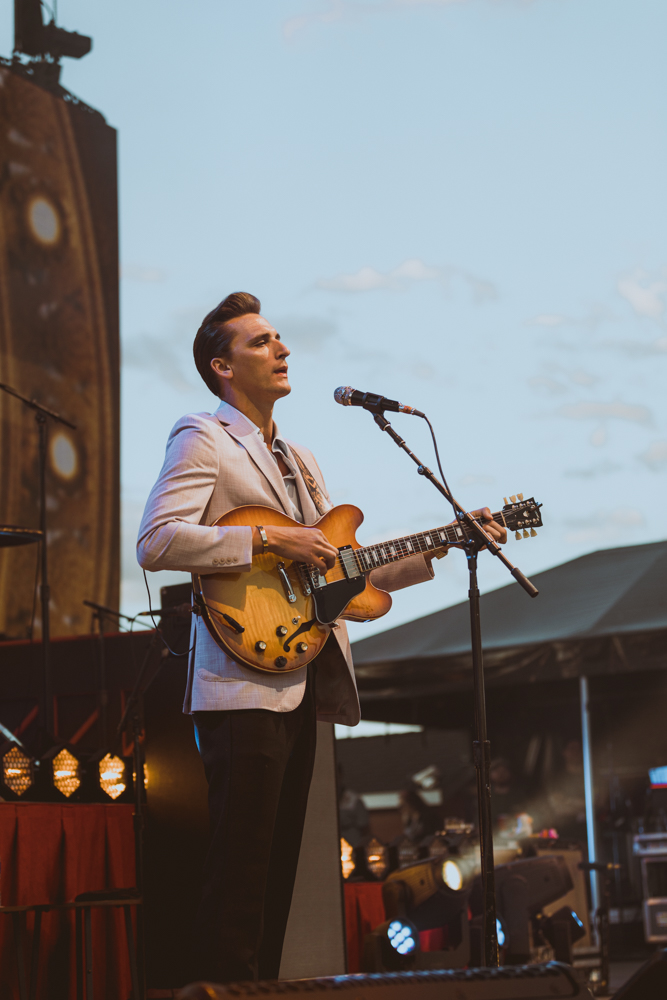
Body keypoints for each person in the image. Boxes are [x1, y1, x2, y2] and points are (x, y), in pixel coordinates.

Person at [137, 291, 507, 983]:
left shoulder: (299, 458)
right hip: (242, 677)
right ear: (222, 365)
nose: (280, 349)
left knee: (275, 866)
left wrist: (451, 541)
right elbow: (156, 543)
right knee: (239, 866)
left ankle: (258, 990)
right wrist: (272, 536)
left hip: (301, 671)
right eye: (260, 342)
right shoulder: (202, 435)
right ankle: (218, 991)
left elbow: (340, 564)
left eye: (279, 337)